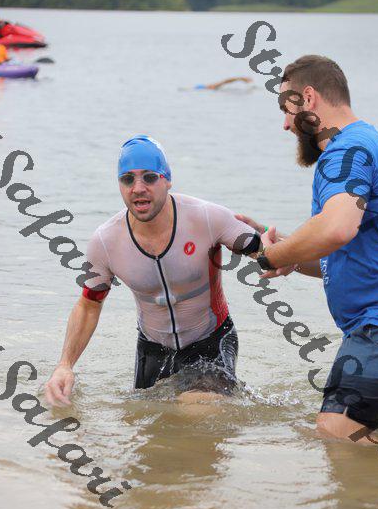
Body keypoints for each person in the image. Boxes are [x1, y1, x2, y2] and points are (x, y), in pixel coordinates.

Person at [44, 135, 262, 406]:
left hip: (210, 343)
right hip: (153, 351)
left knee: (198, 409)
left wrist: (273, 241)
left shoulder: (207, 217)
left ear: (167, 180)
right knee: (142, 424)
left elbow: (271, 253)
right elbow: (89, 305)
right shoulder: (106, 241)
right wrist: (64, 365)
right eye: (127, 179)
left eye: (149, 177)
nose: (138, 188)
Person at [239, 55, 378, 443]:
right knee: (369, 435)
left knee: (335, 435)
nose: (285, 124)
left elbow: (337, 228)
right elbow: (349, 248)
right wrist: (291, 257)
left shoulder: (344, 152)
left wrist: (273, 256)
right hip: (376, 327)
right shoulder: (367, 142)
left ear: (307, 99)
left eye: (285, 110)